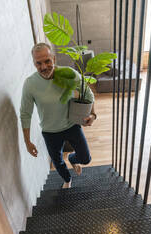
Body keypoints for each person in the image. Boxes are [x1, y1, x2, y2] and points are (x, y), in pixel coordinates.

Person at [20, 43, 96, 188]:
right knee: (57, 161)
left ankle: (73, 159)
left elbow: (88, 94)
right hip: (50, 132)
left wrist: (93, 115)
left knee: (85, 158)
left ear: (54, 59)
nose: (43, 67)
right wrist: (27, 142)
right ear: (34, 63)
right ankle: (67, 179)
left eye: (47, 61)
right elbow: (25, 114)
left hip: (71, 125)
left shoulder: (68, 74)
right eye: (38, 63)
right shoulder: (30, 84)